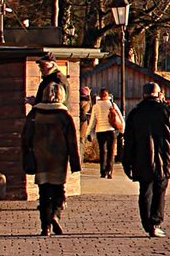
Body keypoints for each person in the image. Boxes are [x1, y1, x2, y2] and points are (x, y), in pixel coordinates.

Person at [122, 82, 170, 238]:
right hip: (166, 158)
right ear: (159, 94)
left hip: (142, 159)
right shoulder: (168, 111)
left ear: (143, 95)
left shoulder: (135, 113)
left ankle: (147, 224)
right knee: (160, 191)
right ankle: (156, 222)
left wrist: (126, 162)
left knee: (145, 191)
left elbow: (128, 141)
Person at [21, 80, 80, 236]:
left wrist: (26, 155)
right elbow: (72, 140)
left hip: (40, 157)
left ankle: (45, 226)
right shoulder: (64, 115)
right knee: (58, 189)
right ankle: (55, 214)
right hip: (58, 158)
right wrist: (75, 163)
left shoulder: (35, 113)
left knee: (43, 192)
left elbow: (25, 137)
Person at [84, 88, 125, 179]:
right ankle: (109, 171)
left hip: (100, 130)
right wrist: (122, 131)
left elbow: (92, 121)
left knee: (103, 151)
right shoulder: (112, 104)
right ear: (107, 95)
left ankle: (102, 172)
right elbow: (121, 118)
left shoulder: (96, 106)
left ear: (100, 95)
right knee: (111, 152)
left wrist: (88, 133)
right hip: (111, 131)